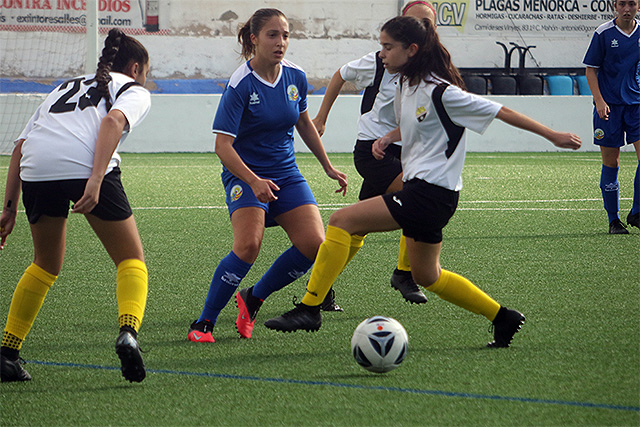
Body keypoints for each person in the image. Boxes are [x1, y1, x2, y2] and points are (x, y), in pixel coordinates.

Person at [264, 15, 582, 348]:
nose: (382, 54)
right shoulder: (406, 84)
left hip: (430, 193)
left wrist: (553, 135)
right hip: (431, 195)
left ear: (412, 50)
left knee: (342, 221)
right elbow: (421, 120)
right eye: (381, 46)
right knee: (427, 276)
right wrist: (389, 137)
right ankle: (503, 317)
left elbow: (500, 110)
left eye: (388, 47)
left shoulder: (442, 91)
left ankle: (310, 308)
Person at [187, 8, 347, 343]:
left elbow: (303, 122)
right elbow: (223, 146)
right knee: (248, 246)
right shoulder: (240, 84)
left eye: (286, 35)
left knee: (314, 245)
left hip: (286, 174)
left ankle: (253, 298)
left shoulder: (295, 77)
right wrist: (252, 180)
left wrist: (327, 166)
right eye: (273, 35)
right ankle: (204, 323)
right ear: (254, 39)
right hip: (245, 175)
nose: (281, 42)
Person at [0, 29, 151, 382]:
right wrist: (96, 179)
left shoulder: (61, 88)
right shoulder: (132, 89)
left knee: (45, 264)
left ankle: (7, 353)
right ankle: (128, 333)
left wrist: (8, 208)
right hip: (84, 165)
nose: (148, 80)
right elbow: (113, 122)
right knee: (131, 260)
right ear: (135, 67)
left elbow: (20, 148)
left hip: (36, 166)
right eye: (148, 72)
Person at [311, 1, 436, 305]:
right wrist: (321, 117)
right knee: (417, 196)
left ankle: (320, 288)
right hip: (372, 151)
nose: (423, 29)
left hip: (404, 151)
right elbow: (341, 74)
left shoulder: (431, 66)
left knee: (355, 229)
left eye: (428, 24)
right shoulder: (381, 59)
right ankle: (404, 273)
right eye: (417, 23)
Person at [583, 0, 639, 234]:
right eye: (622, 4)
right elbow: (590, 69)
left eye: (632, 4)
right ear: (615, 6)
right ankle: (613, 220)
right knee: (611, 162)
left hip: (637, 105)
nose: (627, 9)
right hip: (609, 109)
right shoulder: (603, 33)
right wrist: (599, 100)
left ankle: (637, 212)